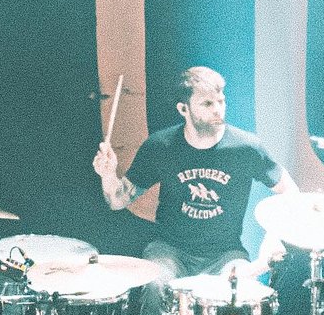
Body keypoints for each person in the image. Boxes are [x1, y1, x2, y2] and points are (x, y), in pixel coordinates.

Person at [92, 57, 281, 274]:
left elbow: (288, 191)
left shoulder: (246, 148)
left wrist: (273, 239)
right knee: (156, 283)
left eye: (221, 101)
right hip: (169, 250)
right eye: (207, 104)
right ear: (184, 109)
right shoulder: (161, 146)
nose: (218, 110)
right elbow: (118, 201)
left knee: (239, 287)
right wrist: (108, 174)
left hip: (226, 253)